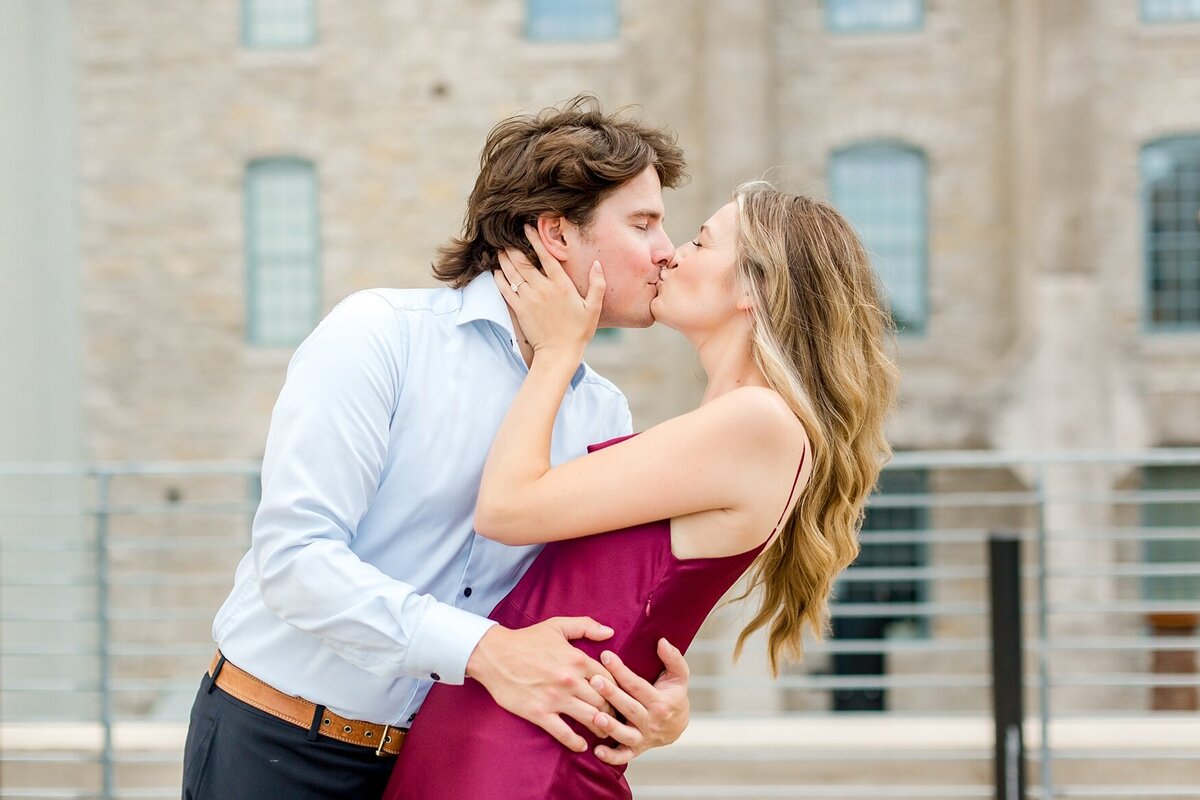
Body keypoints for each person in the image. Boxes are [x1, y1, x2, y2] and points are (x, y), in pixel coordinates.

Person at [181, 96, 693, 800]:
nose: (667, 249)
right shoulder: (379, 336)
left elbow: (572, 602)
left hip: (442, 763)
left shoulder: (602, 409)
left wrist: (647, 702)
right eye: (643, 223)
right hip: (274, 746)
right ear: (555, 233)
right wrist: (482, 651)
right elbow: (295, 560)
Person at [384, 183, 900, 799]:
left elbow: (505, 509)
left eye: (701, 241)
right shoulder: (734, 423)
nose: (672, 254)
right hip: (503, 733)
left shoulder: (759, 423)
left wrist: (556, 353)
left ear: (753, 290)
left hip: (526, 757)